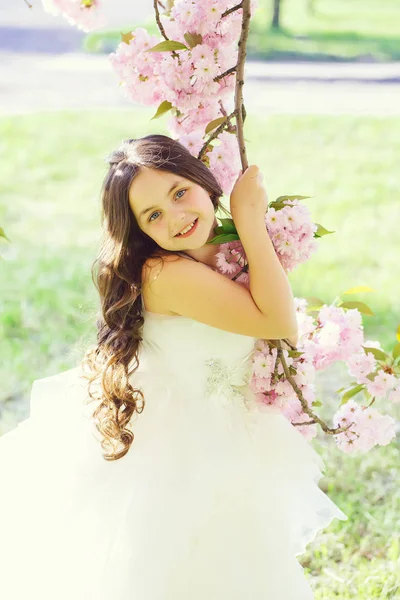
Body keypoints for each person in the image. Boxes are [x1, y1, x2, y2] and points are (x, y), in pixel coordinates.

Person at [0, 134, 347, 599]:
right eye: (154, 216)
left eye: (179, 193)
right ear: (143, 233)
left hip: (225, 432)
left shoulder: (219, 251)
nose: (177, 217)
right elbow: (279, 322)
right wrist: (250, 220)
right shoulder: (166, 274)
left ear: (203, 181)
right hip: (179, 446)